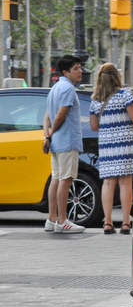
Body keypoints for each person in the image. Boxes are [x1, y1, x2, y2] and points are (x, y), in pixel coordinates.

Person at [89, 63, 133, 234]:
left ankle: (107, 223)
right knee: (125, 183)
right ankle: (126, 223)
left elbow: (93, 126)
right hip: (125, 143)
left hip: (107, 145)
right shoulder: (124, 95)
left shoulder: (95, 99)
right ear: (116, 77)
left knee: (108, 183)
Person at [42, 55, 86, 233]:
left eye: (80, 67)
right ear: (66, 71)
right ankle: (62, 221)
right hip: (67, 140)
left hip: (57, 142)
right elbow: (60, 115)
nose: (80, 71)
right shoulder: (68, 88)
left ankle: (52, 219)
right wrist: (53, 130)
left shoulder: (55, 88)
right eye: (76, 68)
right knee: (65, 181)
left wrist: (48, 135)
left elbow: (47, 116)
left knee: (57, 179)